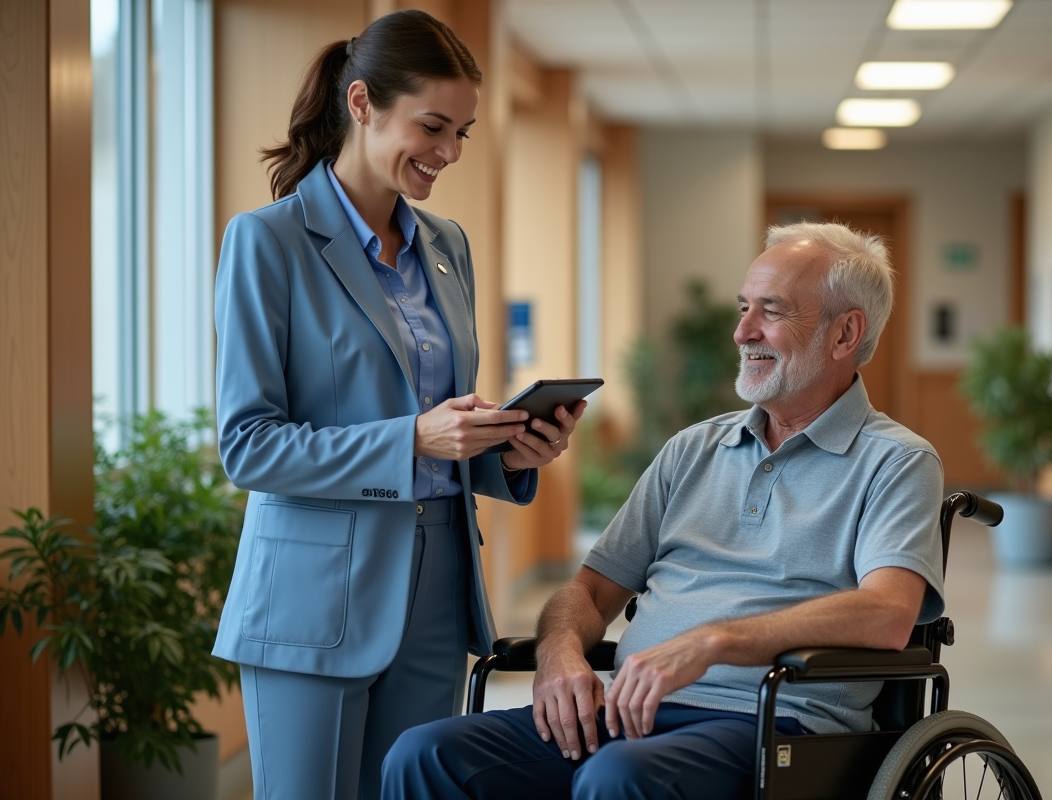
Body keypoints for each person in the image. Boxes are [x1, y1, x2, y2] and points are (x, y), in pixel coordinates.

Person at [380, 221, 946, 800]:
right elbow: (592, 593)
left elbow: (888, 612)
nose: (742, 331)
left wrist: (712, 643)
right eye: (743, 307)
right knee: (425, 755)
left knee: (618, 777)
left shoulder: (897, 462)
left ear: (845, 332)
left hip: (774, 725)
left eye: (770, 312)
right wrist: (558, 651)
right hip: (632, 713)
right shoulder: (693, 449)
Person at [211, 11, 584, 800]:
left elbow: (441, 428)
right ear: (360, 104)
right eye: (433, 126)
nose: (448, 153)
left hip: (439, 583)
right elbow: (249, 445)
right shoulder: (267, 243)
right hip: (316, 595)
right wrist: (413, 438)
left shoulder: (447, 247)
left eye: (464, 133)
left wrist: (509, 446)